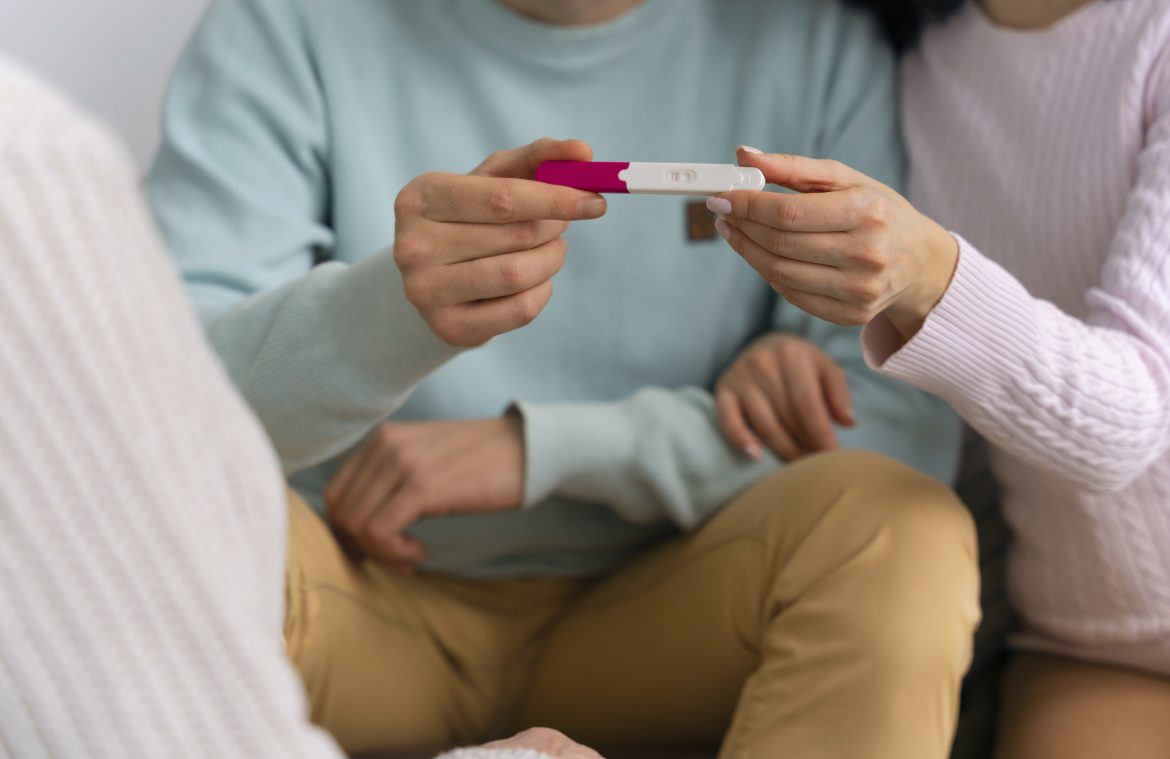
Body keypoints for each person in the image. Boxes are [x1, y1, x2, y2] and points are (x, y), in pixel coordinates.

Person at [147, 1, 979, 756]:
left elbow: (895, 424)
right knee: (134, 528)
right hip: (355, 600)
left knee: (901, 531)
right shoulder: (287, 25)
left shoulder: (813, 43)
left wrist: (544, 450)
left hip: (668, 615)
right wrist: (392, 312)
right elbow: (151, 416)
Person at [0, 56, 600, 759]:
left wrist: (553, 447)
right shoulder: (31, 164)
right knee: (154, 515)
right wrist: (394, 315)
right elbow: (163, 425)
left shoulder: (762, 41)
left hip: (656, 592)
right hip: (349, 585)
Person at [709, 0, 1170, 757]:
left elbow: (1128, 426)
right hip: (1091, 639)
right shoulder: (900, 67)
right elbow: (923, 366)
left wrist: (931, 275)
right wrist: (788, 358)